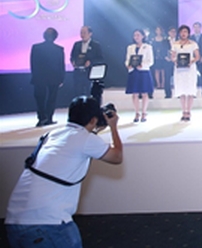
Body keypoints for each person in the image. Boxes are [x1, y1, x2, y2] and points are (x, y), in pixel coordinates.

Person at [5, 96, 122, 248]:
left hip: (14, 221)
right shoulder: (86, 139)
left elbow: (77, 142)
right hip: (48, 223)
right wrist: (113, 126)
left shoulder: (52, 134)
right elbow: (117, 157)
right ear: (93, 119)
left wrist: (95, 128)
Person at [30, 28, 65, 127]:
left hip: (39, 78)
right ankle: (49, 118)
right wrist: (61, 78)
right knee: (51, 98)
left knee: (40, 98)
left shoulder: (36, 47)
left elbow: (33, 64)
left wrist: (34, 76)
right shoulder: (59, 49)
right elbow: (61, 65)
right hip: (54, 78)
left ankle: (42, 118)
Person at [171, 25, 200, 121]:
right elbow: (173, 56)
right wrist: (175, 61)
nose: (183, 34)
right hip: (179, 70)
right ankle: (184, 111)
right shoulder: (175, 44)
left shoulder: (193, 44)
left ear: (188, 33)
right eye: (182, 32)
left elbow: (197, 56)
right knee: (182, 90)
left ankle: (189, 111)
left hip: (190, 69)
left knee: (190, 90)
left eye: (185, 32)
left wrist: (191, 62)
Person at [125, 29, 154, 122]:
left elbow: (151, 61)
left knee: (145, 93)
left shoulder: (148, 47)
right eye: (135, 35)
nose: (136, 37)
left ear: (143, 36)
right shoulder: (130, 47)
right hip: (133, 72)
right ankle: (137, 113)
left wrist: (143, 65)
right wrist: (128, 65)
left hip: (143, 71)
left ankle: (144, 113)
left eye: (138, 35)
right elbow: (127, 59)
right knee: (135, 93)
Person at [70, 26, 103, 97]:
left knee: (89, 93)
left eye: (84, 33)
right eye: (81, 33)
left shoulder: (95, 45)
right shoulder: (77, 44)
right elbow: (72, 56)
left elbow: (100, 59)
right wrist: (73, 62)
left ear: (90, 34)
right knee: (77, 92)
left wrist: (91, 62)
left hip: (89, 73)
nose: (82, 35)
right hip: (78, 72)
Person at [151, 26, 170, 93]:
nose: (158, 31)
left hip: (164, 57)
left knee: (163, 71)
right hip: (156, 57)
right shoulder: (153, 40)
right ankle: (158, 84)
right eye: (157, 30)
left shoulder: (165, 39)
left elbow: (168, 48)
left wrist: (167, 56)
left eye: (160, 30)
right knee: (157, 70)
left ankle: (163, 84)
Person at [164, 26, 177, 99]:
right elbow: (162, 50)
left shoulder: (179, 40)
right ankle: (168, 93)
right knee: (167, 77)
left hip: (177, 61)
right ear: (168, 33)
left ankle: (179, 93)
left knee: (178, 77)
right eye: (171, 31)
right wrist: (165, 57)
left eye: (174, 32)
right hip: (168, 61)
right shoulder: (165, 41)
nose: (173, 33)